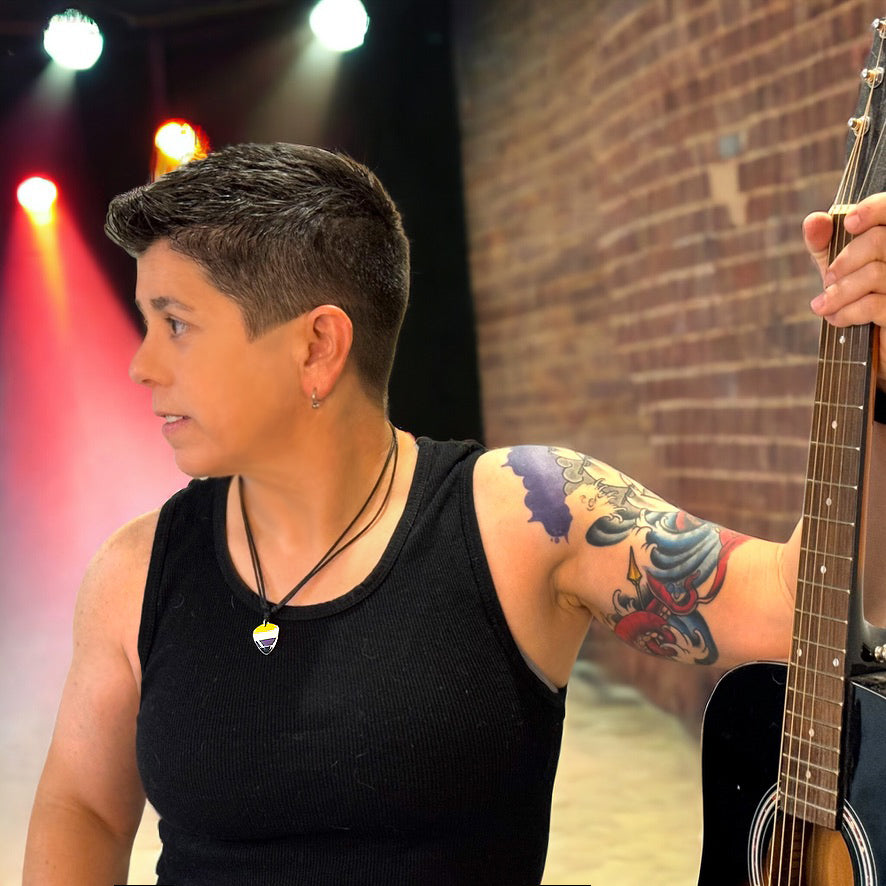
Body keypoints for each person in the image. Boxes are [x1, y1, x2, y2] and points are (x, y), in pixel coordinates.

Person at [21, 142, 886, 885]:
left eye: (174, 324)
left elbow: (796, 610)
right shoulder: (138, 569)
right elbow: (84, 807)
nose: (138, 366)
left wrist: (874, 369)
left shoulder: (528, 513)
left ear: (317, 345)